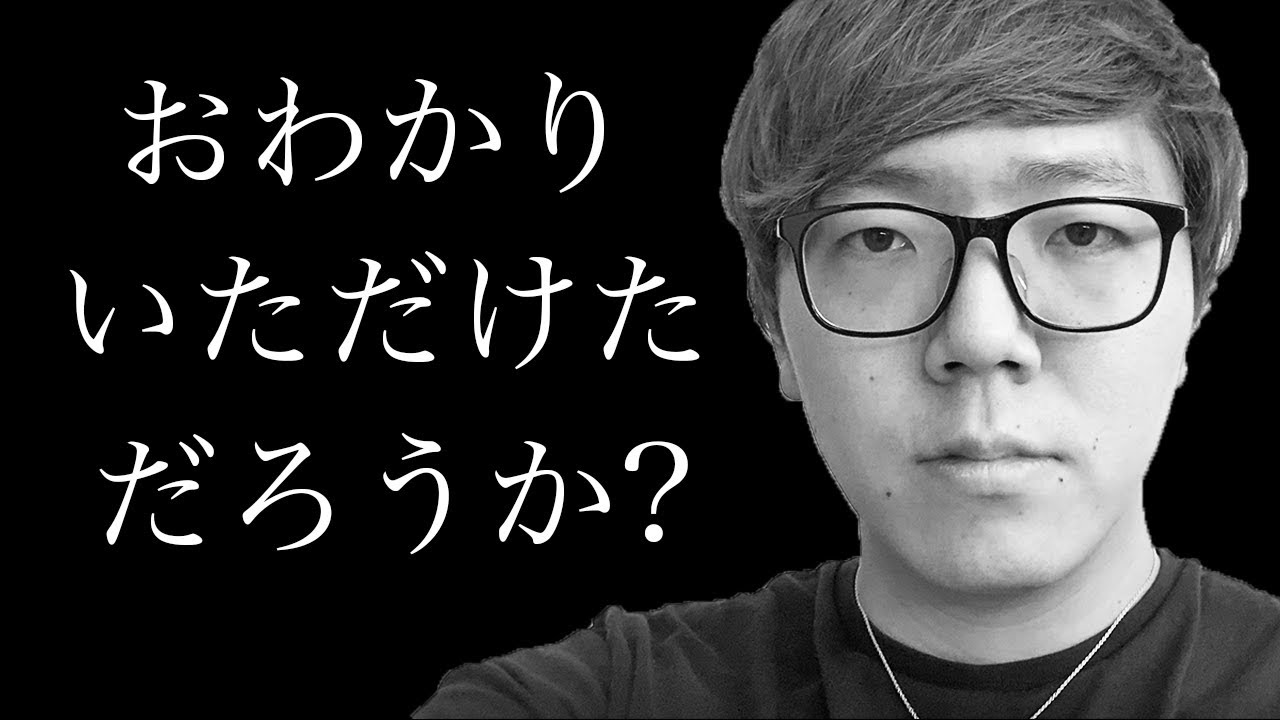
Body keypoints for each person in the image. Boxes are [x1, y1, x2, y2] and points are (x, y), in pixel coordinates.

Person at [415, 0, 1278, 716]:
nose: (981, 338)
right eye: (878, 239)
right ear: (774, 326)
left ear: (1196, 301)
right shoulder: (596, 701)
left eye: (1083, 231)